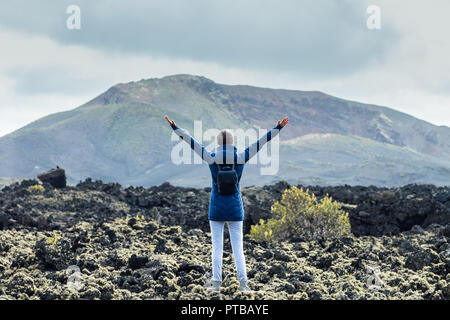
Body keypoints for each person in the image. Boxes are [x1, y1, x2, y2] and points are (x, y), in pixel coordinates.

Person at [164, 115, 289, 292]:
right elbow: (261, 143)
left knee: (217, 249)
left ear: (218, 143)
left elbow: (192, 143)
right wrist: (277, 129)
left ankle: (216, 285)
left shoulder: (210, 158)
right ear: (232, 143)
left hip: (216, 209)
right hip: (235, 209)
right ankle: (244, 285)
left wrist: (176, 128)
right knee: (238, 249)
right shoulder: (241, 158)